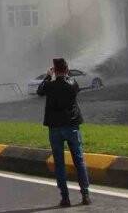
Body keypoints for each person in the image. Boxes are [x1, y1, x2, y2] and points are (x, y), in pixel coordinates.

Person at [37, 58, 91, 207]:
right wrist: (64, 75)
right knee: (79, 161)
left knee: (59, 163)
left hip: (55, 128)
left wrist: (48, 76)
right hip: (72, 126)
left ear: (54, 70)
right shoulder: (73, 84)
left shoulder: (50, 86)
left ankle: (65, 198)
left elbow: (39, 91)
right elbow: (73, 86)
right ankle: (85, 194)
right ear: (67, 70)